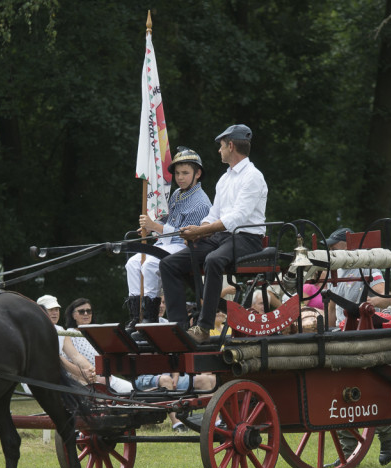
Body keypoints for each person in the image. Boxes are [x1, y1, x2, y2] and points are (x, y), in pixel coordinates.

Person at [159, 124, 268, 343]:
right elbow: (214, 213)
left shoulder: (253, 176)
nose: (219, 151)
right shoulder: (224, 179)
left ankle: (204, 327)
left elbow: (237, 218)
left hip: (247, 238)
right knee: (168, 264)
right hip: (222, 236)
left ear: (230, 145)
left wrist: (202, 230)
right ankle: (179, 328)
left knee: (213, 260)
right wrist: (196, 232)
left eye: (221, 146)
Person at [129, 147, 212, 325]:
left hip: (185, 247)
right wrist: (150, 229)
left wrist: (156, 226)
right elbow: (167, 219)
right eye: (177, 173)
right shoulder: (176, 194)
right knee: (133, 263)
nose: (180, 177)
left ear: (197, 174)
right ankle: (136, 317)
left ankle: (150, 319)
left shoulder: (201, 203)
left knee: (150, 264)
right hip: (165, 244)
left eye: (185, 173)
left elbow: (185, 234)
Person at [320, 227, 390, 331]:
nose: (331, 253)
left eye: (334, 249)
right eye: (329, 249)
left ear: (348, 246)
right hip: (342, 330)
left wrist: (373, 302)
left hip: (364, 330)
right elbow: (331, 309)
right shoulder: (333, 271)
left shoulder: (367, 267)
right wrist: (330, 334)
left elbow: (387, 299)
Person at [62, 298, 132, 393]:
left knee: (132, 390)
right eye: (81, 311)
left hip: (106, 377)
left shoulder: (95, 333)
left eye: (89, 311)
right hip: (83, 380)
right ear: (74, 315)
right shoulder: (69, 334)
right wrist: (90, 374)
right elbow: (73, 358)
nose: (86, 314)